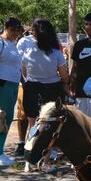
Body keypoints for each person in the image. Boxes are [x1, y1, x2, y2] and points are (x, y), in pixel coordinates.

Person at [18, 19, 69, 152]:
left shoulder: (28, 52)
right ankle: (49, 151)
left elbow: (24, 72)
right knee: (50, 122)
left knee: (32, 122)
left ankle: (29, 150)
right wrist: (65, 83)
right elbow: (64, 75)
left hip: (31, 88)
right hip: (51, 89)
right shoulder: (56, 53)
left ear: (34, 33)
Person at [0, 18, 25, 166]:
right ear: (5, 28)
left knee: (4, 119)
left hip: (11, 85)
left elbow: (16, 67)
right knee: (0, 118)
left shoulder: (13, 44)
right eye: (12, 29)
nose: (15, 32)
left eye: (17, 30)